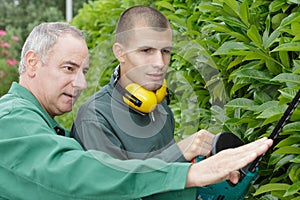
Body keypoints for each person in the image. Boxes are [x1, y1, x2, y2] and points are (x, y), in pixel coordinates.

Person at [0, 22, 273, 200]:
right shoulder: (13, 119)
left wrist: (197, 190)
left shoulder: (41, 123)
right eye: (69, 69)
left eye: (83, 72)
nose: (81, 84)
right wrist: (188, 175)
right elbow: (84, 176)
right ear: (32, 63)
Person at [70, 6, 270, 200]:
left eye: (165, 51)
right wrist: (179, 152)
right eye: (146, 50)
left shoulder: (160, 105)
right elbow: (113, 187)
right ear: (120, 52)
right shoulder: (94, 116)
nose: (159, 62)